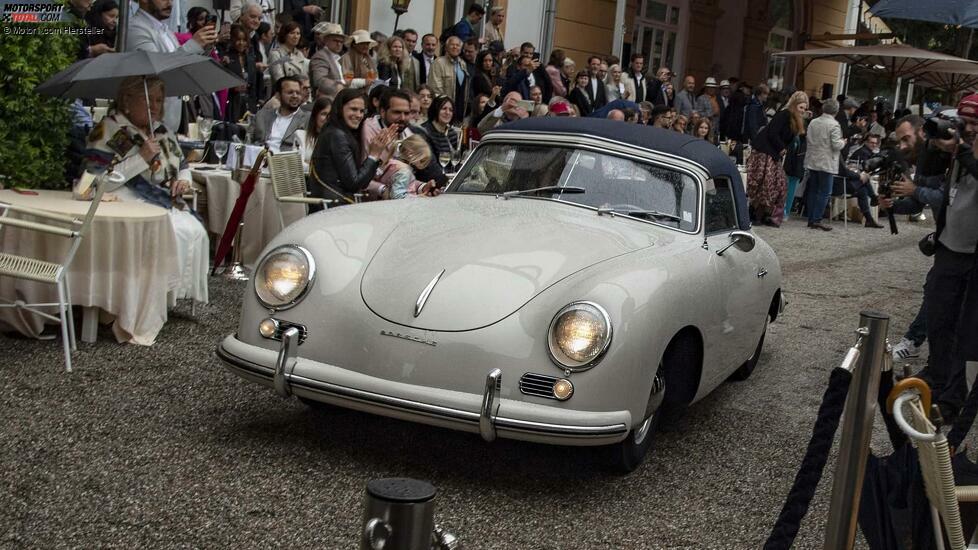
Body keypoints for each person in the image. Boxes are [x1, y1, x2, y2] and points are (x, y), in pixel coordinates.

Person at [83, 76, 208, 306]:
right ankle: (150, 298)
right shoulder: (109, 129)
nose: (155, 106)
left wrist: (182, 181)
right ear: (127, 100)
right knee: (175, 231)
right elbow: (98, 180)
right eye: (148, 100)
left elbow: (182, 166)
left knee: (194, 230)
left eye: (159, 100)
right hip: (123, 198)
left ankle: (174, 296)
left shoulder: (162, 131)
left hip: (161, 198)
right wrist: (141, 158)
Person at [128, 0, 218, 133]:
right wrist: (193, 44)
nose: (170, 3)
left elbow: (182, 65)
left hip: (169, 125)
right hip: (145, 124)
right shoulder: (135, 28)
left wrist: (204, 47)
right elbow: (155, 69)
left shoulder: (166, 31)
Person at [310, 88, 397, 203]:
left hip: (340, 203)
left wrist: (381, 154)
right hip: (332, 208)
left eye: (362, 111)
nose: (359, 115)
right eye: (354, 109)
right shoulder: (337, 135)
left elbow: (362, 181)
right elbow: (354, 184)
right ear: (340, 109)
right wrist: (373, 155)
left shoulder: (338, 132)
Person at [747, 90, 808, 228]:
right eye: (801, 107)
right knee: (765, 183)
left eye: (804, 108)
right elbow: (772, 132)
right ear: (794, 105)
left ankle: (765, 214)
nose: (803, 111)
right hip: (764, 151)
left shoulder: (795, 120)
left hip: (774, 153)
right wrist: (781, 147)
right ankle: (755, 213)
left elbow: (791, 138)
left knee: (778, 184)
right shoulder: (784, 114)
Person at [803, 97, 845, 231]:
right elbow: (836, 145)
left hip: (813, 159)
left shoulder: (813, 122)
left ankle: (811, 218)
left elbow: (808, 138)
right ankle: (817, 219)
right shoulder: (834, 125)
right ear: (836, 111)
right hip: (826, 161)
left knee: (813, 190)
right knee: (824, 192)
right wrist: (844, 142)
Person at [252, 76, 309, 152]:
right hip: (259, 158)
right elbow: (248, 141)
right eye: (290, 92)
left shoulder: (307, 119)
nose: (295, 96)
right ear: (278, 95)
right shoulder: (262, 115)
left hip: (286, 161)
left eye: (298, 93)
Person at [360, 88, 413, 165]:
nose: (402, 118)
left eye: (406, 113)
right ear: (382, 112)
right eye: (397, 112)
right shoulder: (368, 129)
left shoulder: (405, 130)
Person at [376, 134, 438, 199]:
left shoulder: (393, 163)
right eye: (422, 160)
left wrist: (423, 187)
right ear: (410, 154)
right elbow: (397, 197)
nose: (423, 165)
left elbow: (408, 184)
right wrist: (418, 198)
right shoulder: (404, 172)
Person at [428, 36, 471, 123]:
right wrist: (446, 108)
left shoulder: (462, 63)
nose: (455, 47)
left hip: (460, 109)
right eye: (452, 45)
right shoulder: (438, 63)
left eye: (457, 45)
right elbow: (435, 89)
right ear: (446, 47)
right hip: (445, 110)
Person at [223, 24, 259, 122]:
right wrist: (233, 87)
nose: (241, 43)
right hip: (232, 103)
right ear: (232, 40)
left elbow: (253, 85)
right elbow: (221, 83)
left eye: (244, 40)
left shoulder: (250, 59)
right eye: (238, 39)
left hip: (248, 103)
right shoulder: (227, 58)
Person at [309, 22, 346, 100]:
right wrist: (339, 86)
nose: (339, 44)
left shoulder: (339, 57)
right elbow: (319, 80)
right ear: (326, 40)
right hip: (327, 100)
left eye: (341, 42)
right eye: (336, 41)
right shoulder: (321, 56)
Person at [421, 96, 461, 166]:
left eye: (451, 110)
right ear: (435, 110)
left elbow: (455, 160)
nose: (447, 112)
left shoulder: (452, 133)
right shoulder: (424, 132)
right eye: (444, 108)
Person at [268, 22, 307, 86]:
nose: (295, 36)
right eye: (292, 33)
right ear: (284, 35)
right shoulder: (276, 54)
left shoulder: (299, 54)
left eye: (298, 33)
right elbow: (279, 79)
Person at [298, 96, 330, 166]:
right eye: (323, 114)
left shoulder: (335, 140)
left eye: (330, 115)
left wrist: (308, 163)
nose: (327, 118)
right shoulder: (301, 136)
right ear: (315, 115)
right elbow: (299, 165)